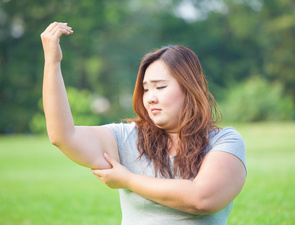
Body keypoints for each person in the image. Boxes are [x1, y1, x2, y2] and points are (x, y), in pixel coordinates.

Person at [41, 22, 247, 225]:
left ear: (189, 89)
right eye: (146, 89)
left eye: (160, 87)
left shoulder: (224, 141)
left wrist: (128, 180)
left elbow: (203, 199)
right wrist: (52, 62)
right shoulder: (127, 138)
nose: (149, 98)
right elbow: (63, 136)